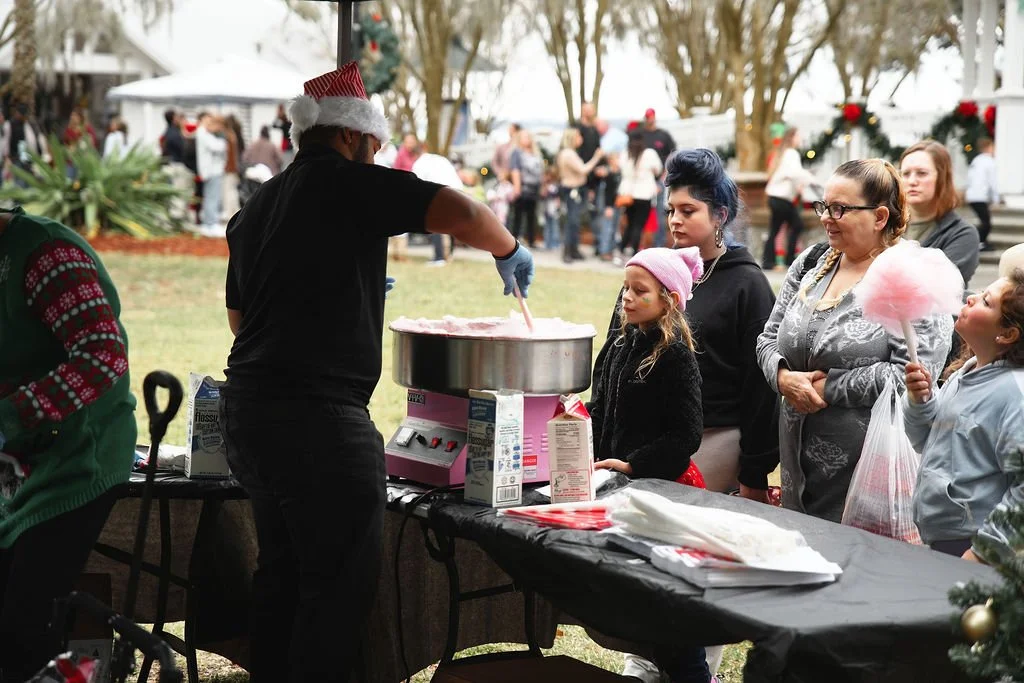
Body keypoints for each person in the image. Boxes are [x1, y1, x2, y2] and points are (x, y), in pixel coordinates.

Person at [219, 62, 535, 683]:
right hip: (320, 424)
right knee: (336, 591)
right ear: (349, 136)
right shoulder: (349, 183)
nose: (378, 154)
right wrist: (509, 248)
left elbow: (239, 319)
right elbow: (463, 212)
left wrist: (328, 285)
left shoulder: (258, 208)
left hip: (249, 411)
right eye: (375, 144)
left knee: (280, 575)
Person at [756, 159, 952, 522]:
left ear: (879, 217)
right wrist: (783, 376)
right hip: (795, 468)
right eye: (824, 206)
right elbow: (768, 337)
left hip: (868, 476)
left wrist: (830, 386)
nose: (826, 217)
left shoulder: (911, 277)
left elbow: (913, 377)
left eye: (840, 208)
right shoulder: (811, 263)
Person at [0, 206, 136, 681]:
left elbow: (102, 355)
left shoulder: (43, 254)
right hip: (17, 464)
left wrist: (10, 416)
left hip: (78, 455)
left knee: (27, 624)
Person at [586, 246, 709, 683]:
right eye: (626, 288)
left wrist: (634, 464)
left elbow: (686, 435)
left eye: (640, 291)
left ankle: (692, 674)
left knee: (668, 608)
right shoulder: (620, 342)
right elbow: (601, 405)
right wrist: (575, 422)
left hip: (664, 493)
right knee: (640, 603)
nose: (628, 298)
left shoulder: (675, 356)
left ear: (669, 300)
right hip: (619, 487)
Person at [905, 271, 1024, 563]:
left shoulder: (1015, 394)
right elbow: (925, 439)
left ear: (1007, 334)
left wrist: (984, 552)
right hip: (940, 535)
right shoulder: (965, 372)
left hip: (972, 543)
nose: (971, 298)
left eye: (986, 301)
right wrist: (920, 402)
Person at [899, 140, 980, 288]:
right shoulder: (887, 227)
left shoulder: (962, 234)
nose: (912, 181)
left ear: (942, 177)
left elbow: (938, 289)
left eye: (922, 173)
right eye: (905, 174)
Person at [762, 127, 818, 269]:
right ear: (792, 137)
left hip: (775, 196)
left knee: (775, 228)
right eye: (798, 136)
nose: (800, 139)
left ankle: (768, 261)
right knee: (797, 225)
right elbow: (795, 173)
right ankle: (788, 260)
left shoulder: (785, 153)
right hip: (781, 198)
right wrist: (812, 179)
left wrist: (800, 184)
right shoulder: (791, 153)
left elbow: (790, 174)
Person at [556, 127, 604, 263]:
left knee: (575, 222)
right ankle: (567, 252)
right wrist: (596, 157)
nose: (581, 139)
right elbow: (583, 170)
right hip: (572, 190)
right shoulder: (568, 154)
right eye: (578, 136)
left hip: (575, 189)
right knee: (572, 221)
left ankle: (574, 250)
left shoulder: (569, 153)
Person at [618, 130, 663, 256]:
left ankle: (621, 249)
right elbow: (657, 170)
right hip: (644, 194)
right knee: (639, 225)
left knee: (629, 224)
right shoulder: (649, 154)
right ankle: (634, 251)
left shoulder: (625, 154)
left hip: (628, 194)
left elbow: (621, 170)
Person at [641, 108, 676, 248]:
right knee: (643, 212)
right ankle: (643, 244)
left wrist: (665, 174)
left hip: (658, 180)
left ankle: (659, 244)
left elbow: (671, 154)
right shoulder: (641, 135)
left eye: (652, 117)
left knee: (659, 213)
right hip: (643, 181)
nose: (650, 120)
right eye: (648, 117)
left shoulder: (663, 135)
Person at [508, 129, 544, 248]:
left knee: (532, 216)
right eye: (524, 137)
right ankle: (514, 241)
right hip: (523, 188)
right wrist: (517, 187)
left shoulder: (535, 153)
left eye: (528, 137)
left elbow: (540, 171)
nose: (526, 139)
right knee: (518, 215)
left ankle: (531, 240)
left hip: (534, 189)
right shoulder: (516, 152)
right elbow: (515, 170)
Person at [195, 113, 228, 235]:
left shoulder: (205, 133)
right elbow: (216, 146)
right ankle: (210, 224)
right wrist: (223, 143)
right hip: (211, 171)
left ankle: (210, 223)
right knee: (212, 198)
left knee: (212, 197)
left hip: (212, 170)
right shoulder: (202, 133)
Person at [964, 137, 999, 251]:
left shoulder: (976, 160)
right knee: (986, 223)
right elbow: (992, 181)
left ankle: (982, 242)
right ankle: (978, 242)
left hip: (972, 195)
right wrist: (996, 199)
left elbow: (970, 178)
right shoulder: (990, 161)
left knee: (984, 221)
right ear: (989, 147)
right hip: (980, 196)